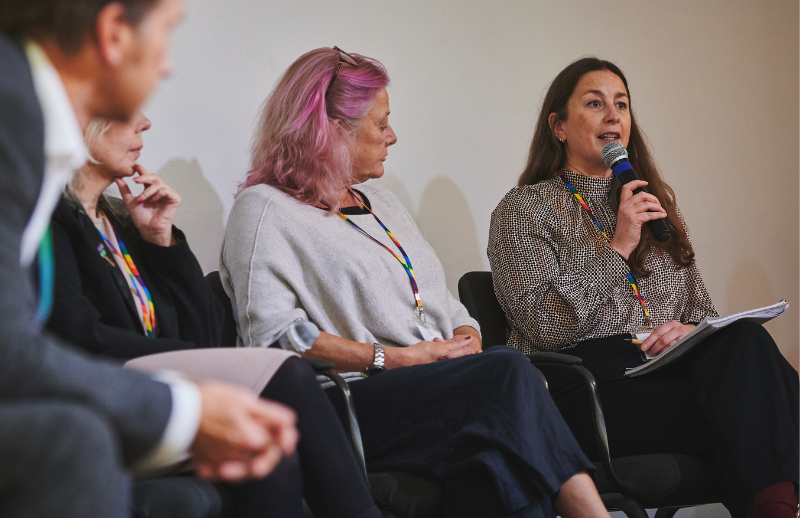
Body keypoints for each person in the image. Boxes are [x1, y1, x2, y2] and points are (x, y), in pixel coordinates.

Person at [221, 46, 612, 518]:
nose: (393, 136)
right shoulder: (266, 210)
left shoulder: (382, 204)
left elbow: (446, 305)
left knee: (498, 464)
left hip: (436, 389)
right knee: (509, 370)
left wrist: (466, 337)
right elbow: (273, 336)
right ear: (331, 132)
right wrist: (397, 359)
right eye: (380, 124)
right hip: (350, 403)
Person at [0, 0, 296, 516]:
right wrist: (182, 412)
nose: (166, 67)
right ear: (113, 32)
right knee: (72, 443)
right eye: (167, 32)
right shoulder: (12, 113)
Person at [487, 57, 800, 518]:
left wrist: (686, 331)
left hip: (670, 372)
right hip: (585, 387)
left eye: (622, 104)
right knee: (768, 406)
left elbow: (704, 312)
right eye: (595, 103)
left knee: (746, 345)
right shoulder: (522, 209)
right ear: (558, 126)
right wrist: (615, 248)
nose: (613, 115)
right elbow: (543, 326)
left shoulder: (651, 203)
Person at [46, 110, 382, 518]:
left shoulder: (120, 220)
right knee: (285, 372)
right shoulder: (42, 220)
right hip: (97, 399)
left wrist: (161, 242)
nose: (147, 122)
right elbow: (78, 335)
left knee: (266, 444)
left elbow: (203, 337)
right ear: (77, 120)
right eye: (127, 109)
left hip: (153, 393)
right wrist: (201, 380)